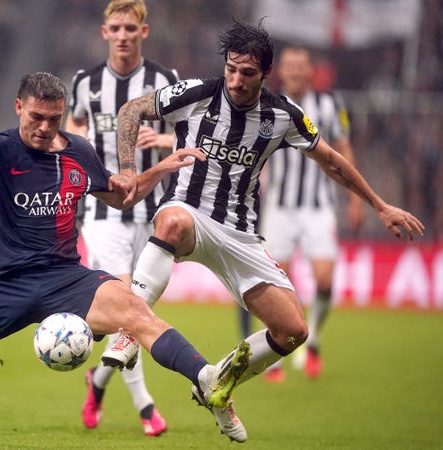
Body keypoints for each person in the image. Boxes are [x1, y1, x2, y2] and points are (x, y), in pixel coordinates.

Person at [0, 72, 251, 450]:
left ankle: (208, 379)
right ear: (19, 107)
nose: (44, 127)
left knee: (138, 313)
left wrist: (161, 168)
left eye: (54, 119)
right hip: (4, 283)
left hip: (66, 278)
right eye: (37, 117)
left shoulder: (78, 151)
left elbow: (119, 197)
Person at [101, 18, 425, 442]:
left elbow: (330, 159)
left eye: (247, 73)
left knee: (294, 331)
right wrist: (128, 171)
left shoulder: (284, 115)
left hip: (240, 232)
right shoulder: (197, 93)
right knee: (172, 218)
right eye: (231, 69)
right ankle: (128, 331)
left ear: (265, 74)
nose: (236, 80)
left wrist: (379, 205)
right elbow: (131, 110)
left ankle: (218, 380)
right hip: (189, 213)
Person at [65, 0, 176, 436]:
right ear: (104, 32)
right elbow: (71, 128)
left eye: (132, 27)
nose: (124, 34)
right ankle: (146, 407)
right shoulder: (85, 83)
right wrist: (80, 140)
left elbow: (190, 131)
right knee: (127, 307)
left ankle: (98, 380)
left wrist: (164, 137)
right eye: (116, 27)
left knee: (136, 313)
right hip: (101, 209)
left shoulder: (164, 81)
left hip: (152, 208)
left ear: (144, 32)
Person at [259, 45, 364, 383]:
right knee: (278, 283)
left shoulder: (330, 105)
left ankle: (314, 338)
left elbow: (343, 146)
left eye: (301, 66)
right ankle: (274, 355)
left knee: (324, 280)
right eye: (289, 66)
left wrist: (355, 199)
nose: (295, 72)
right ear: (280, 71)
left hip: (319, 206)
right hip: (279, 207)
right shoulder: (268, 104)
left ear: (310, 71)